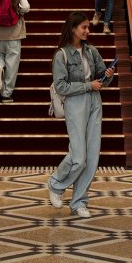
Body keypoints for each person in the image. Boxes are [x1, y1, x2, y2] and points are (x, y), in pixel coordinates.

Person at [47, 11, 111, 219]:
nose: (87, 30)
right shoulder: (61, 55)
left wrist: (107, 76)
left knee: (92, 157)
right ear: (73, 29)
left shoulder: (92, 51)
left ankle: (79, 202)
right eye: (83, 27)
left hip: (94, 102)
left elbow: (101, 79)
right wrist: (87, 85)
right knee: (79, 156)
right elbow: (61, 86)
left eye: (87, 27)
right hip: (75, 103)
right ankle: (56, 184)